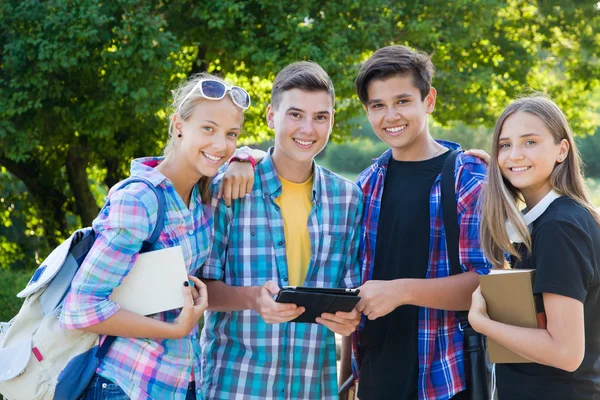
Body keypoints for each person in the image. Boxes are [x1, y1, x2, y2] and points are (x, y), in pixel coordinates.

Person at [59, 73, 251, 400]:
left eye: (231, 134)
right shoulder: (139, 202)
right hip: (124, 383)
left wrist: (245, 157)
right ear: (178, 125)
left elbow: (256, 160)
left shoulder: (204, 199)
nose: (221, 145)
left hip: (179, 383)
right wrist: (176, 329)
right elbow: (81, 309)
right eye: (208, 128)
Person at [198, 61, 364, 399]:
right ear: (272, 117)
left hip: (313, 386)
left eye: (321, 117)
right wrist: (253, 300)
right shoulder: (229, 188)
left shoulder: (348, 199)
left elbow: (351, 295)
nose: (308, 129)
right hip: (236, 383)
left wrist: (351, 319)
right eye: (295, 114)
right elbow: (201, 290)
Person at [339, 45, 492, 400]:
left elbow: (487, 284)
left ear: (429, 100)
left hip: (445, 379)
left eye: (403, 101)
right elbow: (353, 288)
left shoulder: (467, 177)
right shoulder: (365, 184)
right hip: (376, 378)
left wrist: (401, 291)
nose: (391, 115)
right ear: (367, 111)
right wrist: (347, 378)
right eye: (378, 105)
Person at [468, 95, 600, 399]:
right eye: (505, 145)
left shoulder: (560, 227)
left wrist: (482, 323)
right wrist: (499, 176)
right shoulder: (546, 219)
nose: (515, 154)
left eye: (530, 142)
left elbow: (566, 352)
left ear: (561, 150)